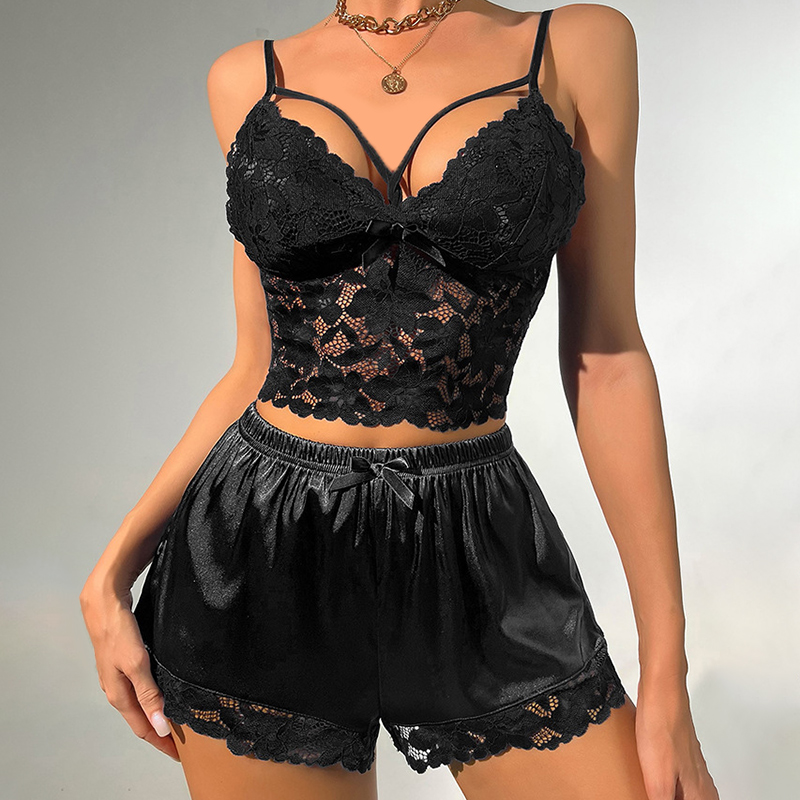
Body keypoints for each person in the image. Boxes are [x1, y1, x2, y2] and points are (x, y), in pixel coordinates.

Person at [80, 2, 720, 798]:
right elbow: (255, 368)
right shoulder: (248, 79)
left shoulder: (575, 47)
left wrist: (666, 668)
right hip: (260, 548)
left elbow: (608, 355)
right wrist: (111, 571)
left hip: (476, 542)